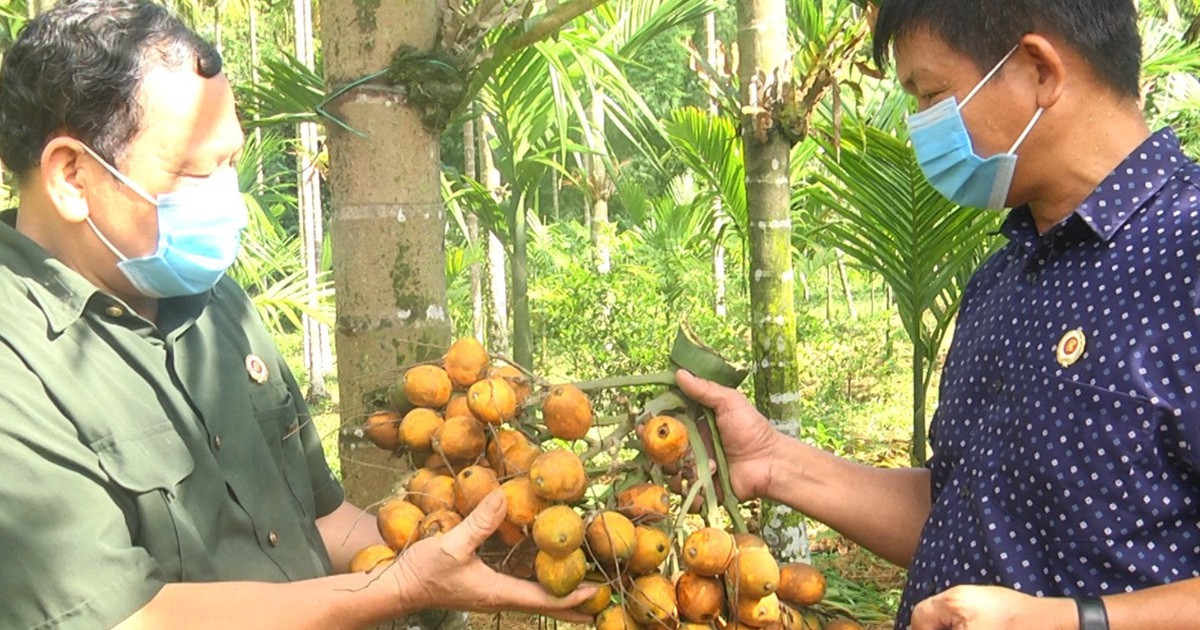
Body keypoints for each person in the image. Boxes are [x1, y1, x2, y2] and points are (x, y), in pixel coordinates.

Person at [0, 1, 593, 628]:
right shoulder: (17, 366)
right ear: (71, 176)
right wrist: (402, 589)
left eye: (230, 162)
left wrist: (480, 550)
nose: (228, 202)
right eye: (194, 171)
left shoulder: (214, 304)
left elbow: (321, 520)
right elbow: (131, 620)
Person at [677, 0, 1200, 628]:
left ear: (1039, 69)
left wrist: (1072, 619)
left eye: (931, 95)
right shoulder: (1004, 280)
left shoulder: (1186, 261)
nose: (919, 126)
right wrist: (771, 460)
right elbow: (964, 510)